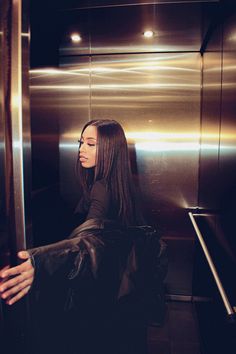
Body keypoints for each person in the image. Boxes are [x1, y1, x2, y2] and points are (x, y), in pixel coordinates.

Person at [0, 119, 167, 354]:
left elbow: (89, 240)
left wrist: (43, 261)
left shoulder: (101, 188)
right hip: (123, 295)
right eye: (81, 142)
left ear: (110, 149)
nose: (81, 149)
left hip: (105, 295)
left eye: (91, 144)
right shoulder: (124, 186)